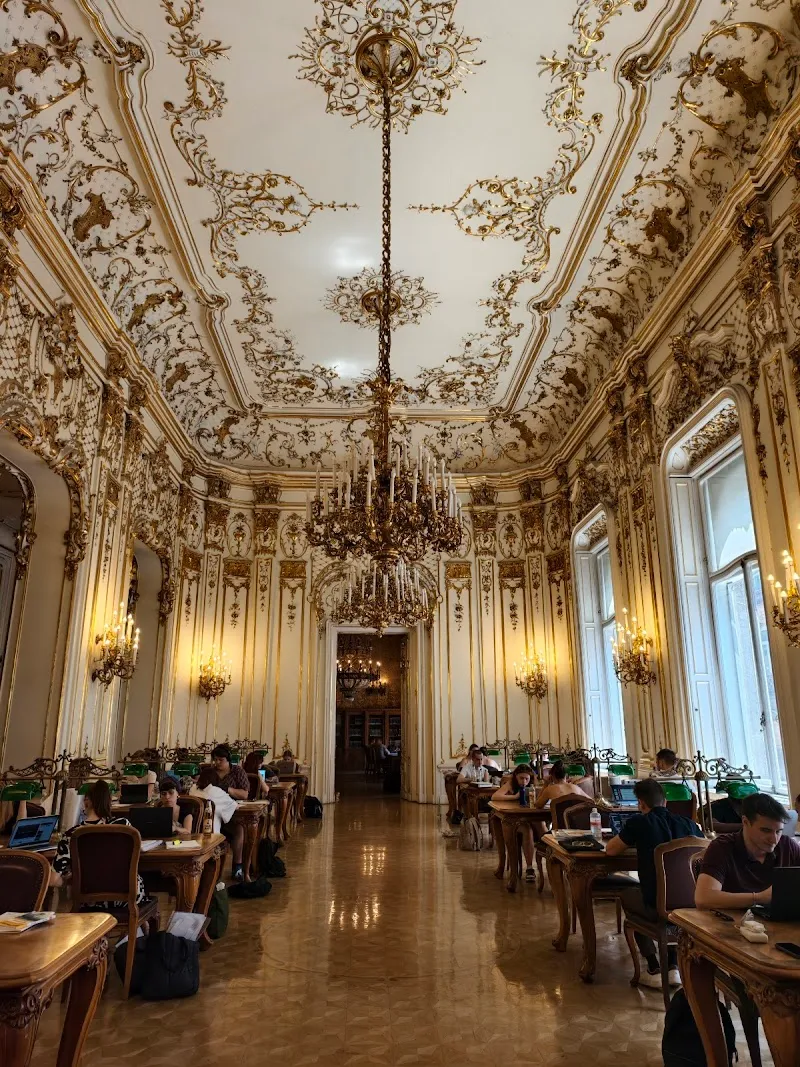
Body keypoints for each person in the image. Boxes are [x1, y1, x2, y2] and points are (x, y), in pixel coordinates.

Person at [605, 778, 703, 988]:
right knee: (666, 899)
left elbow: (611, 850)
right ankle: (674, 966)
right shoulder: (689, 824)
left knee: (629, 894)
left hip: (656, 904)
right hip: (690, 903)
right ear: (665, 802)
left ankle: (653, 966)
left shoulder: (639, 822)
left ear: (641, 804)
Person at [695, 792, 800, 911]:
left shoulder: (787, 846)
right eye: (765, 830)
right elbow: (703, 899)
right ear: (745, 822)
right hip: (732, 924)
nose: (774, 839)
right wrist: (759, 898)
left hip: (779, 922)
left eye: (778, 831)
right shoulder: (722, 847)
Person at [51, 779, 148, 906]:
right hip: (126, 895)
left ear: (86, 802)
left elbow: (53, 880)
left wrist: (69, 878)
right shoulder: (124, 827)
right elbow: (138, 851)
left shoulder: (71, 835)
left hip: (89, 900)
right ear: (108, 802)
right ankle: (141, 921)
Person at [197, 744, 250, 880]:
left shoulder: (237, 771)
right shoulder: (210, 772)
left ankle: (238, 866)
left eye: (221, 760)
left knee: (239, 828)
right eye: (215, 759)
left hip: (228, 813)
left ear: (228, 760)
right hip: (214, 816)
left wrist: (227, 789)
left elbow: (244, 794)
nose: (217, 763)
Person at [493, 764, 538, 882]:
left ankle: (550, 855)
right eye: (521, 778)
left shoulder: (533, 786)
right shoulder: (511, 784)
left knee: (541, 825)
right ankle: (529, 868)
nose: (524, 781)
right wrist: (514, 797)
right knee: (527, 830)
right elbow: (495, 796)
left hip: (531, 816)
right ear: (515, 777)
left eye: (527, 779)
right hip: (516, 820)